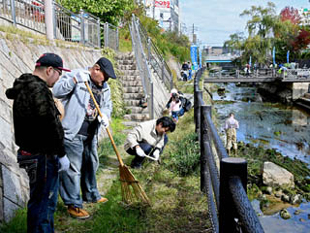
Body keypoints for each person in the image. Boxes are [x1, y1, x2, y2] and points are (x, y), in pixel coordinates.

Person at [5, 53, 71, 233]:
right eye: (59, 74)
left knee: (38, 200)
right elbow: (49, 125)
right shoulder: (39, 90)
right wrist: (62, 154)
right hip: (42, 154)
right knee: (44, 202)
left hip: (27, 152)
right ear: (50, 70)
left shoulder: (23, 87)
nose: (59, 79)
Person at [53, 57, 116, 219]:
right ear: (96, 69)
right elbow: (57, 91)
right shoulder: (77, 76)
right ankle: (74, 204)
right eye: (105, 76)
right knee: (73, 169)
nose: (106, 80)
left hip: (91, 132)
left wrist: (105, 116)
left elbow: (107, 106)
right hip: (72, 132)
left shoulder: (105, 87)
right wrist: (74, 80)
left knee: (91, 163)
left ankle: (91, 194)